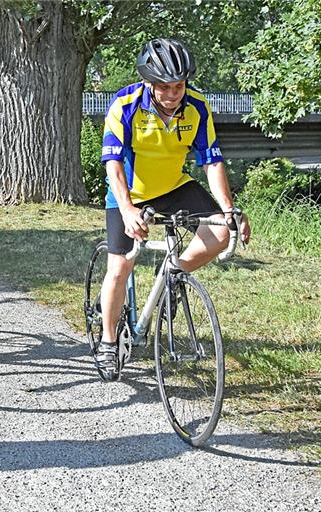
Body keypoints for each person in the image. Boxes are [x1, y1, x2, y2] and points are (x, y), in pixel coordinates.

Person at [96, 38, 250, 381]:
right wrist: (127, 209)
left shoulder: (196, 106)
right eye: (164, 87)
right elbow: (113, 164)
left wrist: (228, 207)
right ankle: (108, 341)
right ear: (149, 82)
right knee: (120, 267)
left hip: (174, 186)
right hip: (130, 193)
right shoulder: (126, 104)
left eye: (178, 85)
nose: (172, 93)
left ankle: (172, 274)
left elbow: (211, 161)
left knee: (221, 232)